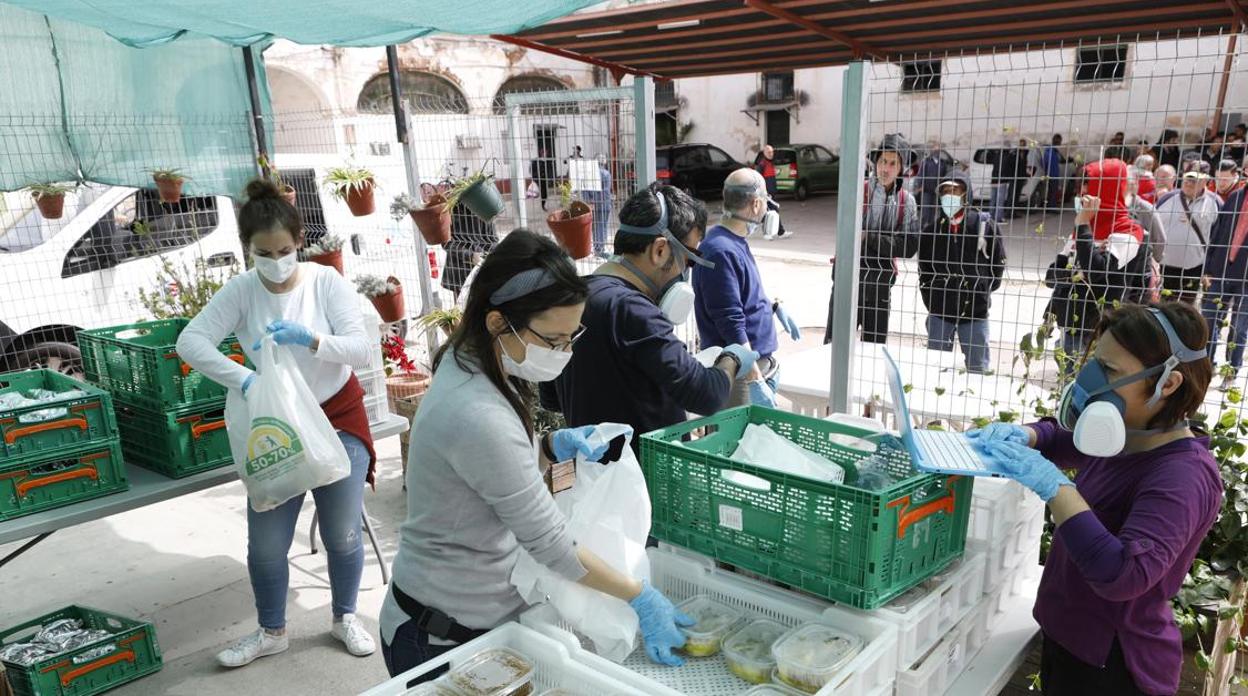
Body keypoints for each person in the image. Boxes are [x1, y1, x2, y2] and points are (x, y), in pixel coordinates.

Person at [381, 230, 695, 684]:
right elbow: (551, 545)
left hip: (472, 618)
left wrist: (548, 448)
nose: (564, 353)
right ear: (496, 322)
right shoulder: (475, 411)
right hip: (441, 635)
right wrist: (639, 595)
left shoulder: (476, 361)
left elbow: (484, 473)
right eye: (553, 340)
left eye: (572, 337)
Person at [968, 301, 1219, 696]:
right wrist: (1025, 435)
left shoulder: (1182, 476)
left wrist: (1056, 487)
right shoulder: (1129, 433)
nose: (1091, 380)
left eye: (1111, 371)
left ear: (1167, 384)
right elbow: (1063, 438)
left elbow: (1122, 574)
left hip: (1112, 667)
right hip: (1069, 643)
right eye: (1097, 362)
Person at [177, 179, 378, 667]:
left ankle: (345, 616)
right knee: (267, 542)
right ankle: (272, 631)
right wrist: (245, 381)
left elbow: (360, 345)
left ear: (299, 241)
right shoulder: (242, 291)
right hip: (278, 422)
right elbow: (191, 342)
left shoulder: (325, 282)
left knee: (342, 532)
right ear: (247, 251)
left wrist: (310, 339)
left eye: (284, 250)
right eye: (262, 253)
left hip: (335, 414)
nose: (275, 261)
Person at [540, 185, 760, 460]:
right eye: (688, 261)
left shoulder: (571, 298)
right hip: (647, 482)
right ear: (659, 250)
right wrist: (732, 358)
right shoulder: (634, 310)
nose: (684, 274)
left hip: (595, 476)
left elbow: (551, 397)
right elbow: (707, 395)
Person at [694, 168, 803, 407]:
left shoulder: (732, 242)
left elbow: (741, 292)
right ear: (755, 204)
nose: (767, 210)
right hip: (740, 373)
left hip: (750, 367)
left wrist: (773, 306)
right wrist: (755, 380)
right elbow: (729, 321)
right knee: (739, 442)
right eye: (765, 202)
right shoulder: (721, 251)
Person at [1044, 160, 1151, 370]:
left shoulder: (1128, 231)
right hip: (1070, 324)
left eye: (1089, 185)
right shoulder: (1082, 230)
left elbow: (1096, 272)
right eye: (1081, 185)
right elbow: (1052, 276)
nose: (1082, 192)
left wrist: (1083, 226)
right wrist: (1049, 313)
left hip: (1099, 330)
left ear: (1107, 190)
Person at [917, 172, 1005, 373]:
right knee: (936, 370)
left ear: (966, 194)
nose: (950, 196)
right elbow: (924, 270)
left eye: (955, 191)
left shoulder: (984, 226)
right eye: (946, 191)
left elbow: (998, 264)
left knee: (978, 370)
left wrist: (982, 291)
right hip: (940, 312)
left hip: (975, 312)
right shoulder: (932, 231)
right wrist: (933, 299)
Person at [1200, 173, 1248, 391]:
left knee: (1239, 327)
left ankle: (1231, 370)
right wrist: (1208, 268)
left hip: (1245, 278)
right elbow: (1217, 234)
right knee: (1210, 319)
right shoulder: (1236, 196)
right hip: (1220, 271)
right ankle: (1207, 366)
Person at [1155, 161, 1218, 304]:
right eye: (1187, 178)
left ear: (1205, 181)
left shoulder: (1215, 203)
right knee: (1163, 306)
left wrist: (1210, 269)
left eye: (1194, 180)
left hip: (1194, 269)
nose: (1189, 183)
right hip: (1165, 267)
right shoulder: (1167, 199)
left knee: (1186, 310)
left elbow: (1217, 238)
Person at [442, 201, 499, 301]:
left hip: (482, 269)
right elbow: (445, 242)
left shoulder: (485, 207)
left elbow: (493, 240)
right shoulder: (450, 208)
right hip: (458, 271)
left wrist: (486, 255)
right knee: (461, 309)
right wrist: (470, 255)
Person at [1124, 167, 1165, 265]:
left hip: (1140, 265)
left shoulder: (1145, 208)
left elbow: (1159, 239)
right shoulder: (1112, 206)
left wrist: (1151, 263)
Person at [752, 144, 791, 241]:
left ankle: (780, 232)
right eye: (769, 152)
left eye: (772, 152)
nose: (771, 154)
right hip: (766, 195)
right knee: (768, 214)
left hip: (771, 194)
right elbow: (758, 181)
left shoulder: (771, 163)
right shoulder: (762, 165)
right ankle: (768, 233)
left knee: (772, 213)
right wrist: (763, 193)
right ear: (764, 153)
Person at [581, 159, 614, 258]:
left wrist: (589, 202)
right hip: (604, 203)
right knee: (603, 226)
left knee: (595, 227)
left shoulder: (587, 175)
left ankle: (597, 248)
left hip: (592, 205)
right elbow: (606, 191)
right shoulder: (606, 174)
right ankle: (600, 249)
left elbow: (584, 191)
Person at [916, 141, 949, 228]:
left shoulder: (942, 163)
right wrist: (920, 186)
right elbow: (921, 174)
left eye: (938, 149)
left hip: (936, 190)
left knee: (933, 211)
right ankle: (921, 228)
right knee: (925, 211)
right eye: (934, 149)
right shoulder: (926, 161)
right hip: (926, 189)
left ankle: (930, 228)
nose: (936, 151)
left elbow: (944, 175)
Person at [1043, 134, 1067, 207]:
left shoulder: (1054, 151)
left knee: (1052, 191)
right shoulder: (1050, 150)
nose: (1060, 143)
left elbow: (1061, 160)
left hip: (1053, 174)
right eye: (1059, 141)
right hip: (1051, 174)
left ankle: (1050, 205)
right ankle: (1051, 206)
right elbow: (1045, 162)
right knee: (1052, 191)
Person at [531, 147, 555, 211]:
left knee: (545, 193)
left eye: (546, 152)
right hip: (539, 179)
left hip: (545, 178)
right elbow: (532, 170)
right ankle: (543, 205)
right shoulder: (536, 161)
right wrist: (535, 178)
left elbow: (550, 170)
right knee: (542, 192)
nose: (545, 154)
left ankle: (543, 204)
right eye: (543, 152)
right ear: (541, 153)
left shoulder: (548, 161)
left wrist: (550, 178)